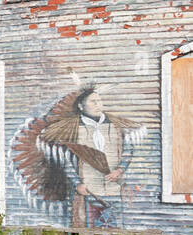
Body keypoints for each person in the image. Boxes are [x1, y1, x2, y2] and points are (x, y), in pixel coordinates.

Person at [39, 86, 145, 227]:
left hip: (114, 188)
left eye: (99, 101)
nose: (97, 104)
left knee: (115, 230)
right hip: (88, 191)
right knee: (89, 231)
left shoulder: (115, 126)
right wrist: (77, 183)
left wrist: (119, 170)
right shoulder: (74, 129)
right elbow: (66, 160)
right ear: (81, 106)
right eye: (92, 101)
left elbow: (128, 150)